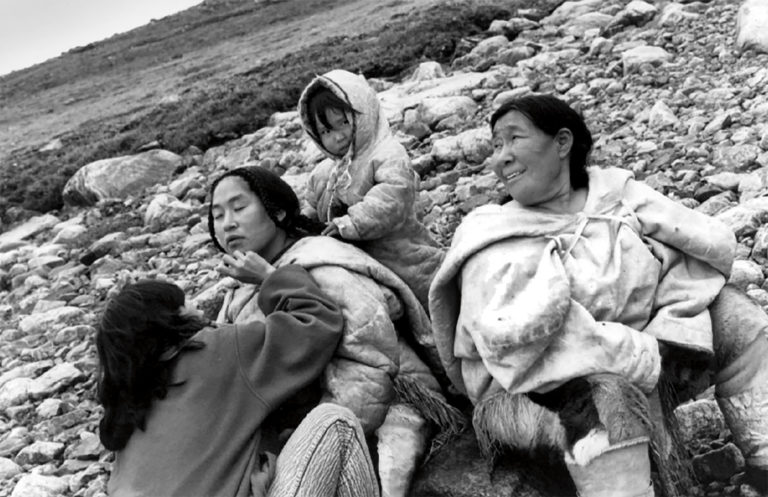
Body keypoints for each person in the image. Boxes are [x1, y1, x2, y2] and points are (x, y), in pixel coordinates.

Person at [429, 94, 768, 496]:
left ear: (562, 143)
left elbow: (706, 250)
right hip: (532, 388)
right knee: (604, 401)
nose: (499, 159)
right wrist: (639, 352)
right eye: (495, 145)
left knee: (737, 317)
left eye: (513, 139)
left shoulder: (616, 196)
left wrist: (673, 326)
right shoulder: (490, 237)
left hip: (646, 352)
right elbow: (516, 343)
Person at [208, 166, 463, 497]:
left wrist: (304, 440)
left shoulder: (325, 264)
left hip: (374, 411)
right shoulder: (239, 289)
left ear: (279, 211)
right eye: (217, 215)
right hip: (299, 420)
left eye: (239, 208)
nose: (228, 223)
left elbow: (368, 370)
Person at [96, 275, 382, 497]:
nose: (196, 305)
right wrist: (272, 277)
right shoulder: (213, 350)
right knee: (335, 422)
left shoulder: (127, 409)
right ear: (175, 317)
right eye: (186, 302)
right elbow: (316, 325)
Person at [297, 69, 444, 310]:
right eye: (325, 131)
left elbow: (389, 200)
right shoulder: (323, 173)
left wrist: (350, 223)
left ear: (363, 112)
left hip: (398, 252)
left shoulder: (387, 154)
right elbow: (312, 208)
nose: (337, 136)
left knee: (429, 293)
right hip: (352, 258)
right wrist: (302, 226)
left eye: (343, 122)